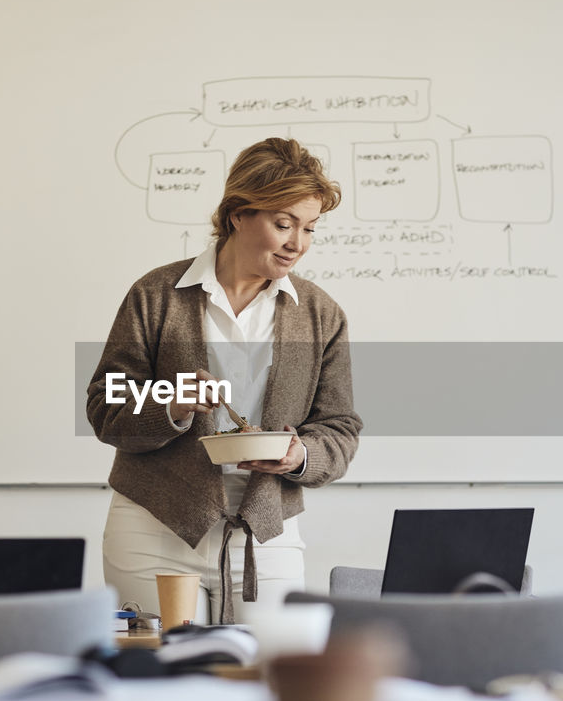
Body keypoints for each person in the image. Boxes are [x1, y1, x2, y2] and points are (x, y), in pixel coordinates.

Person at [87, 136, 362, 627]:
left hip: (266, 532)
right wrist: (170, 401)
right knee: (163, 687)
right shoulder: (157, 295)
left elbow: (339, 428)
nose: (297, 243)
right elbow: (105, 404)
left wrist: (299, 456)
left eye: (309, 228)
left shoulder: (321, 314)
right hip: (154, 530)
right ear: (238, 214)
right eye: (283, 224)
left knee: (270, 687)